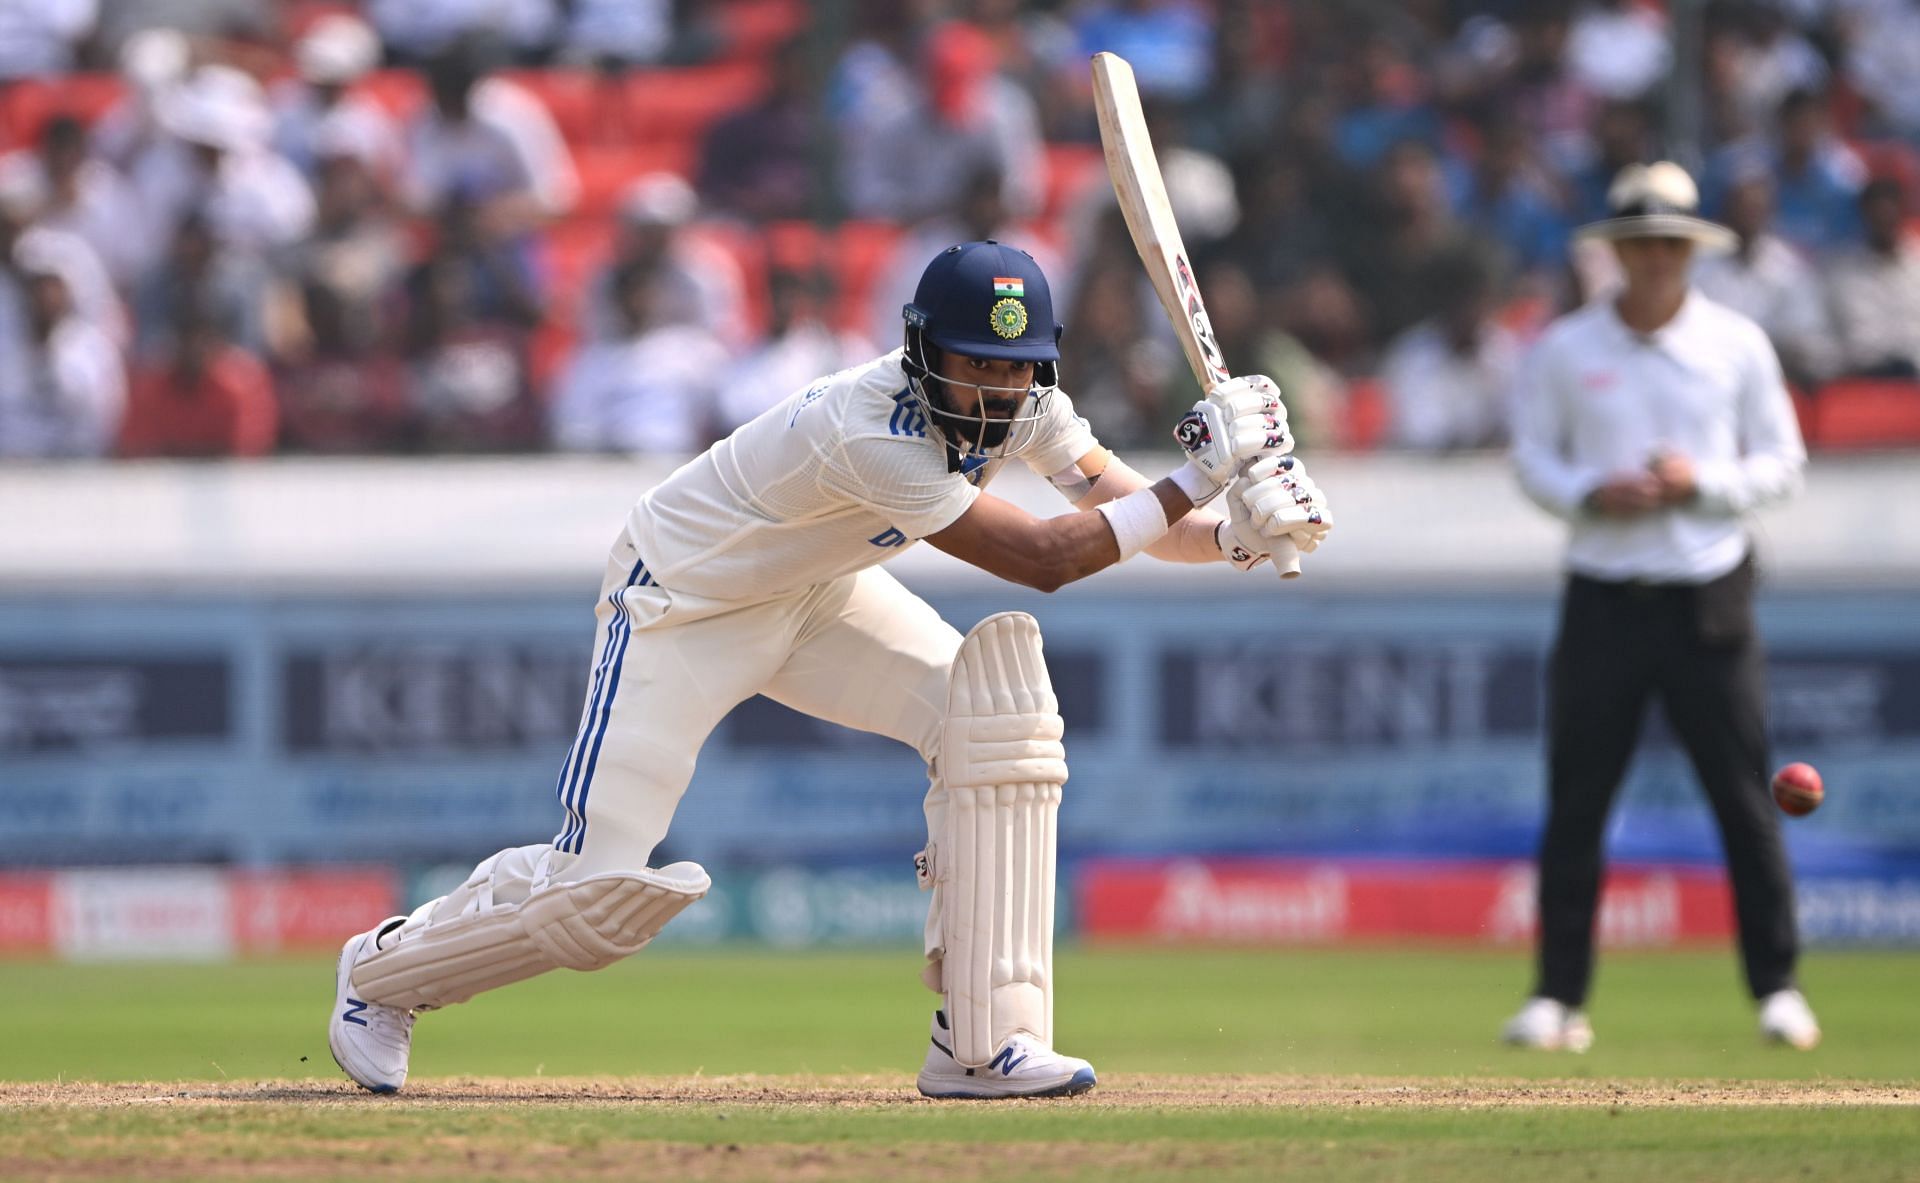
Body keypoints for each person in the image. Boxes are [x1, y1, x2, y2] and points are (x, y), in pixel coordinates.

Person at [326, 240, 1331, 1097]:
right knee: (594, 895)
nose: (993, 390)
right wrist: (1200, 468)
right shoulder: (869, 430)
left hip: (821, 592)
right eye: (973, 365)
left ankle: (982, 1039)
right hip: (683, 602)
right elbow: (1047, 559)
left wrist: (1235, 532)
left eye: (1013, 369)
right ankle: (385, 972)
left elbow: (1132, 517)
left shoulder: (1030, 408)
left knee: (995, 719)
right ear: (922, 348)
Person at [1507, 163, 1817, 1054]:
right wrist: (1590, 494)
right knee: (1578, 801)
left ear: (1689, 250)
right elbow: (1532, 459)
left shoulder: (1737, 344)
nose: (1652, 260)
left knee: (1743, 800)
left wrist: (1700, 485)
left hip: (1709, 594)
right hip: (1605, 592)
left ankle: (1779, 987)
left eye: (1668, 244)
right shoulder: (1568, 347)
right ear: (1617, 251)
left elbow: (1781, 463)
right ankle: (1558, 998)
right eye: (1638, 243)